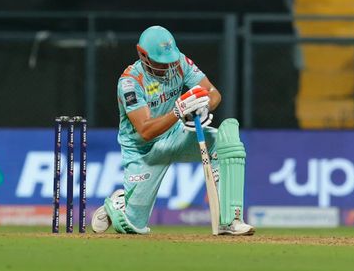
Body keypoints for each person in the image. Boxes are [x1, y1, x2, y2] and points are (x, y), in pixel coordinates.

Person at [91, 25, 255, 236]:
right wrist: (178, 111)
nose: (167, 67)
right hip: (144, 152)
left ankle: (230, 219)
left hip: (176, 134)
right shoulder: (130, 83)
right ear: (142, 54)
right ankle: (119, 203)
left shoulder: (179, 62)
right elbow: (145, 130)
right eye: (160, 62)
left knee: (224, 144)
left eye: (169, 60)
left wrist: (203, 105)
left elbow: (213, 93)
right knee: (130, 227)